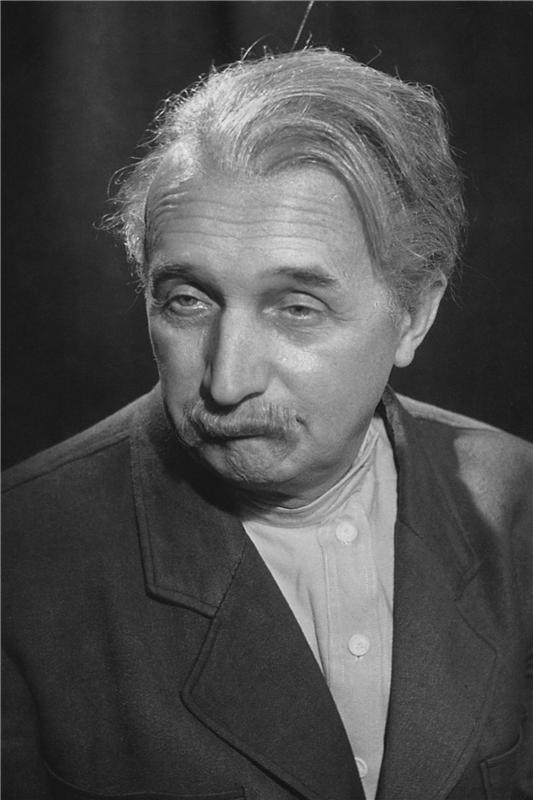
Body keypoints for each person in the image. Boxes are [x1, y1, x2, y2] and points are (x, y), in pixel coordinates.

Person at [3, 48, 532, 800]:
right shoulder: (19, 559)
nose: (226, 381)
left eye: (296, 308)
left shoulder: (517, 503)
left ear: (414, 314)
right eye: (187, 301)